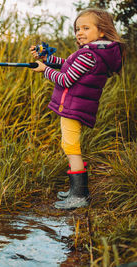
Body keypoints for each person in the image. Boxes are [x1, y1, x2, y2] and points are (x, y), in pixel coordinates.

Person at [30, 8, 124, 209]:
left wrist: (45, 70)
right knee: (69, 145)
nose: (79, 32)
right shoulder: (94, 53)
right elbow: (68, 66)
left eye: (85, 28)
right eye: (77, 28)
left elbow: (66, 79)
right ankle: (76, 191)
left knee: (71, 147)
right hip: (76, 105)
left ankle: (80, 195)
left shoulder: (89, 54)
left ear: (101, 31)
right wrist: (49, 60)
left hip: (73, 106)